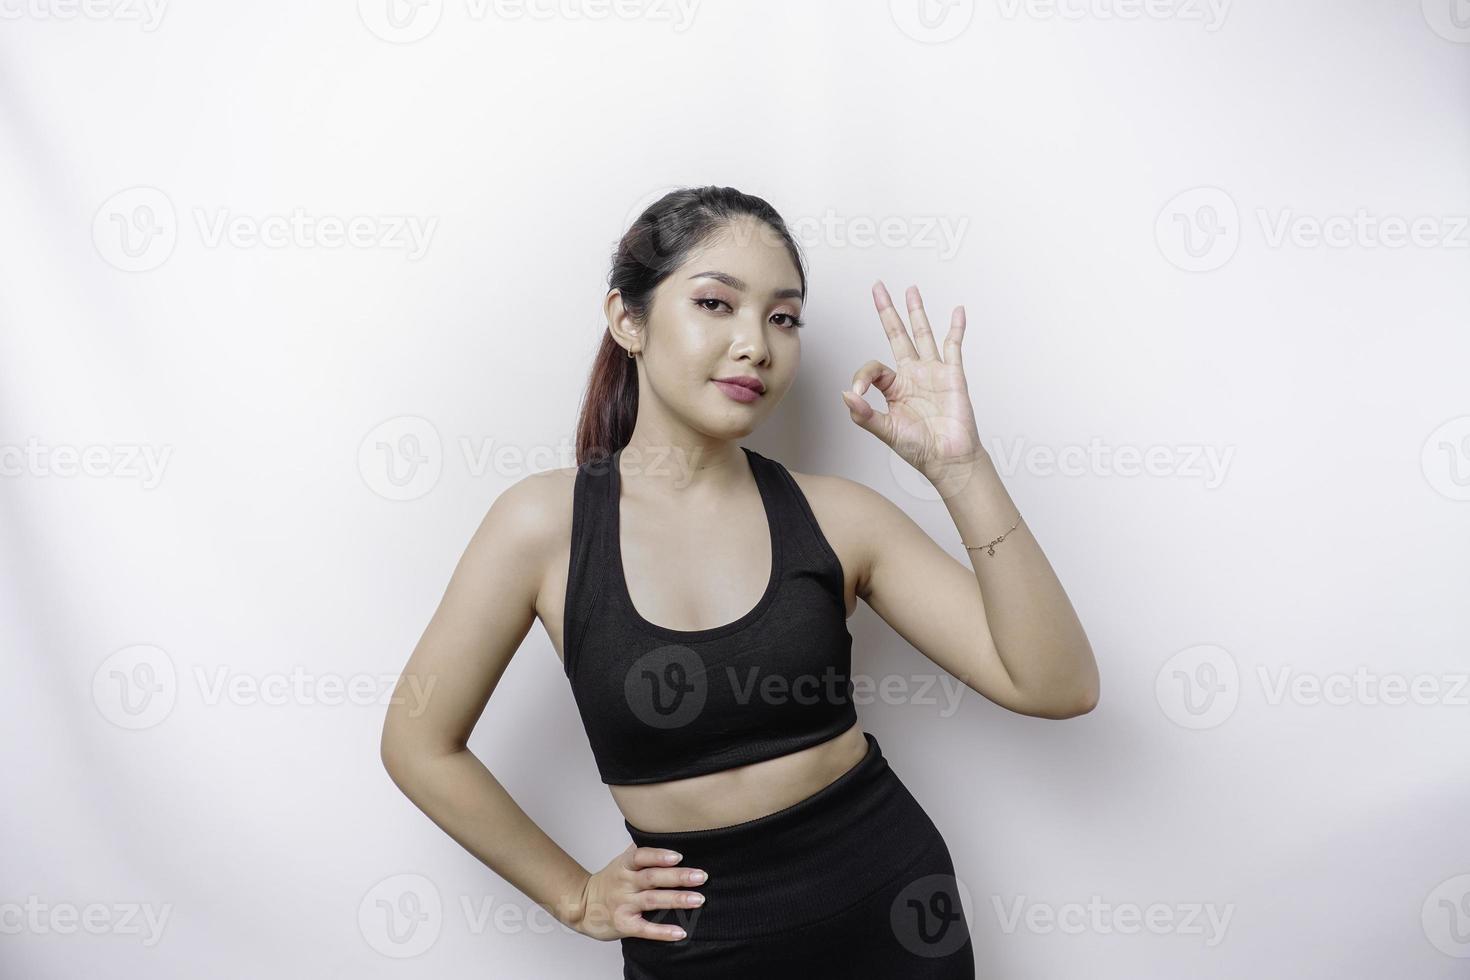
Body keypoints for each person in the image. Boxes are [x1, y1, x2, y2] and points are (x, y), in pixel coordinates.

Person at [380, 185, 1100, 978]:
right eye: (716, 304)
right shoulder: (540, 527)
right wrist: (575, 896)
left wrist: (961, 471)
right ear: (629, 320)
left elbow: (1056, 685)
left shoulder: (838, 517)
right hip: (697, 950)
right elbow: (419, 743)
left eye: (783, 318)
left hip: (891, 912)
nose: (756, 344)